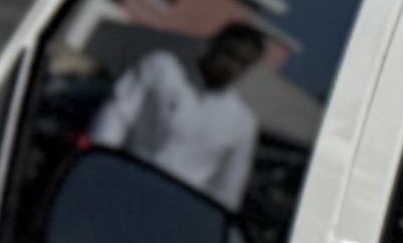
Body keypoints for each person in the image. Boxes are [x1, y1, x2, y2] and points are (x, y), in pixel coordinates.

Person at [87, 17, 273, 214]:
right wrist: (101, 167)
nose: (231, 66)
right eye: (229, 54)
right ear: (213, 44)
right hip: (120, 182)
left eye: (242, 63)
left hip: (172, 212)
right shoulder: (162, 68)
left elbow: (227, 190)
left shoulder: (242, 122)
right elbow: (116, 117)